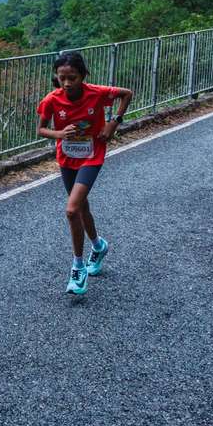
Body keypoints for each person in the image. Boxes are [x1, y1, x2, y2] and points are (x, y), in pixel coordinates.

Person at [36, 52, 133, 295]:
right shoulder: (52, 100)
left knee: (71, 210)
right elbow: (41, 129)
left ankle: (78, 268)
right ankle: (98, 246)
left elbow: (126, 94)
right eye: (62, 78)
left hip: (92, 155)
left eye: (73, 78)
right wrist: (59, 134)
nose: (67, 83)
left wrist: (114, 122)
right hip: (67, 158)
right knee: (80, 208)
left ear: (83, 76)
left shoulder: (97, 93)